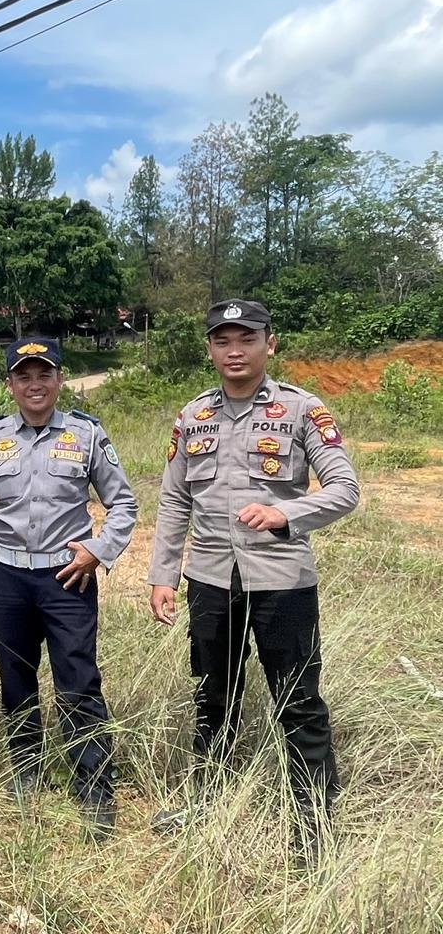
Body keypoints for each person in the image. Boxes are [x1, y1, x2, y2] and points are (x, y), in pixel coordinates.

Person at [147, 299, 359, 865]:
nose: (234, 350)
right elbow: (173, 500)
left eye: (247, 338)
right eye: (222, 340)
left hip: (282, 580)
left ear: (271, 343)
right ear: (210, 348)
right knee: (213, 697)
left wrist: (287, 513)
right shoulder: (192, 416)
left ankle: (313, 824)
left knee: (298, 700)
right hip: (211, 579)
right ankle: (208, 802)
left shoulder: (300, 410)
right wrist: (163, 575)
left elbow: (345, 488)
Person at [0, 337, 136, 837]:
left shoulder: (87, 434)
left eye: (44, 374)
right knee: (16, 678)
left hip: (66, 575)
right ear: (10, 384)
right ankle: (26, 769)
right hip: (6, 576)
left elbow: (124, 504)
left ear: (58, 379)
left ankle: (93, 788)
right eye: (24, 376)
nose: (35, 384)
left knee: (77, 679)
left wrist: (97, 550)